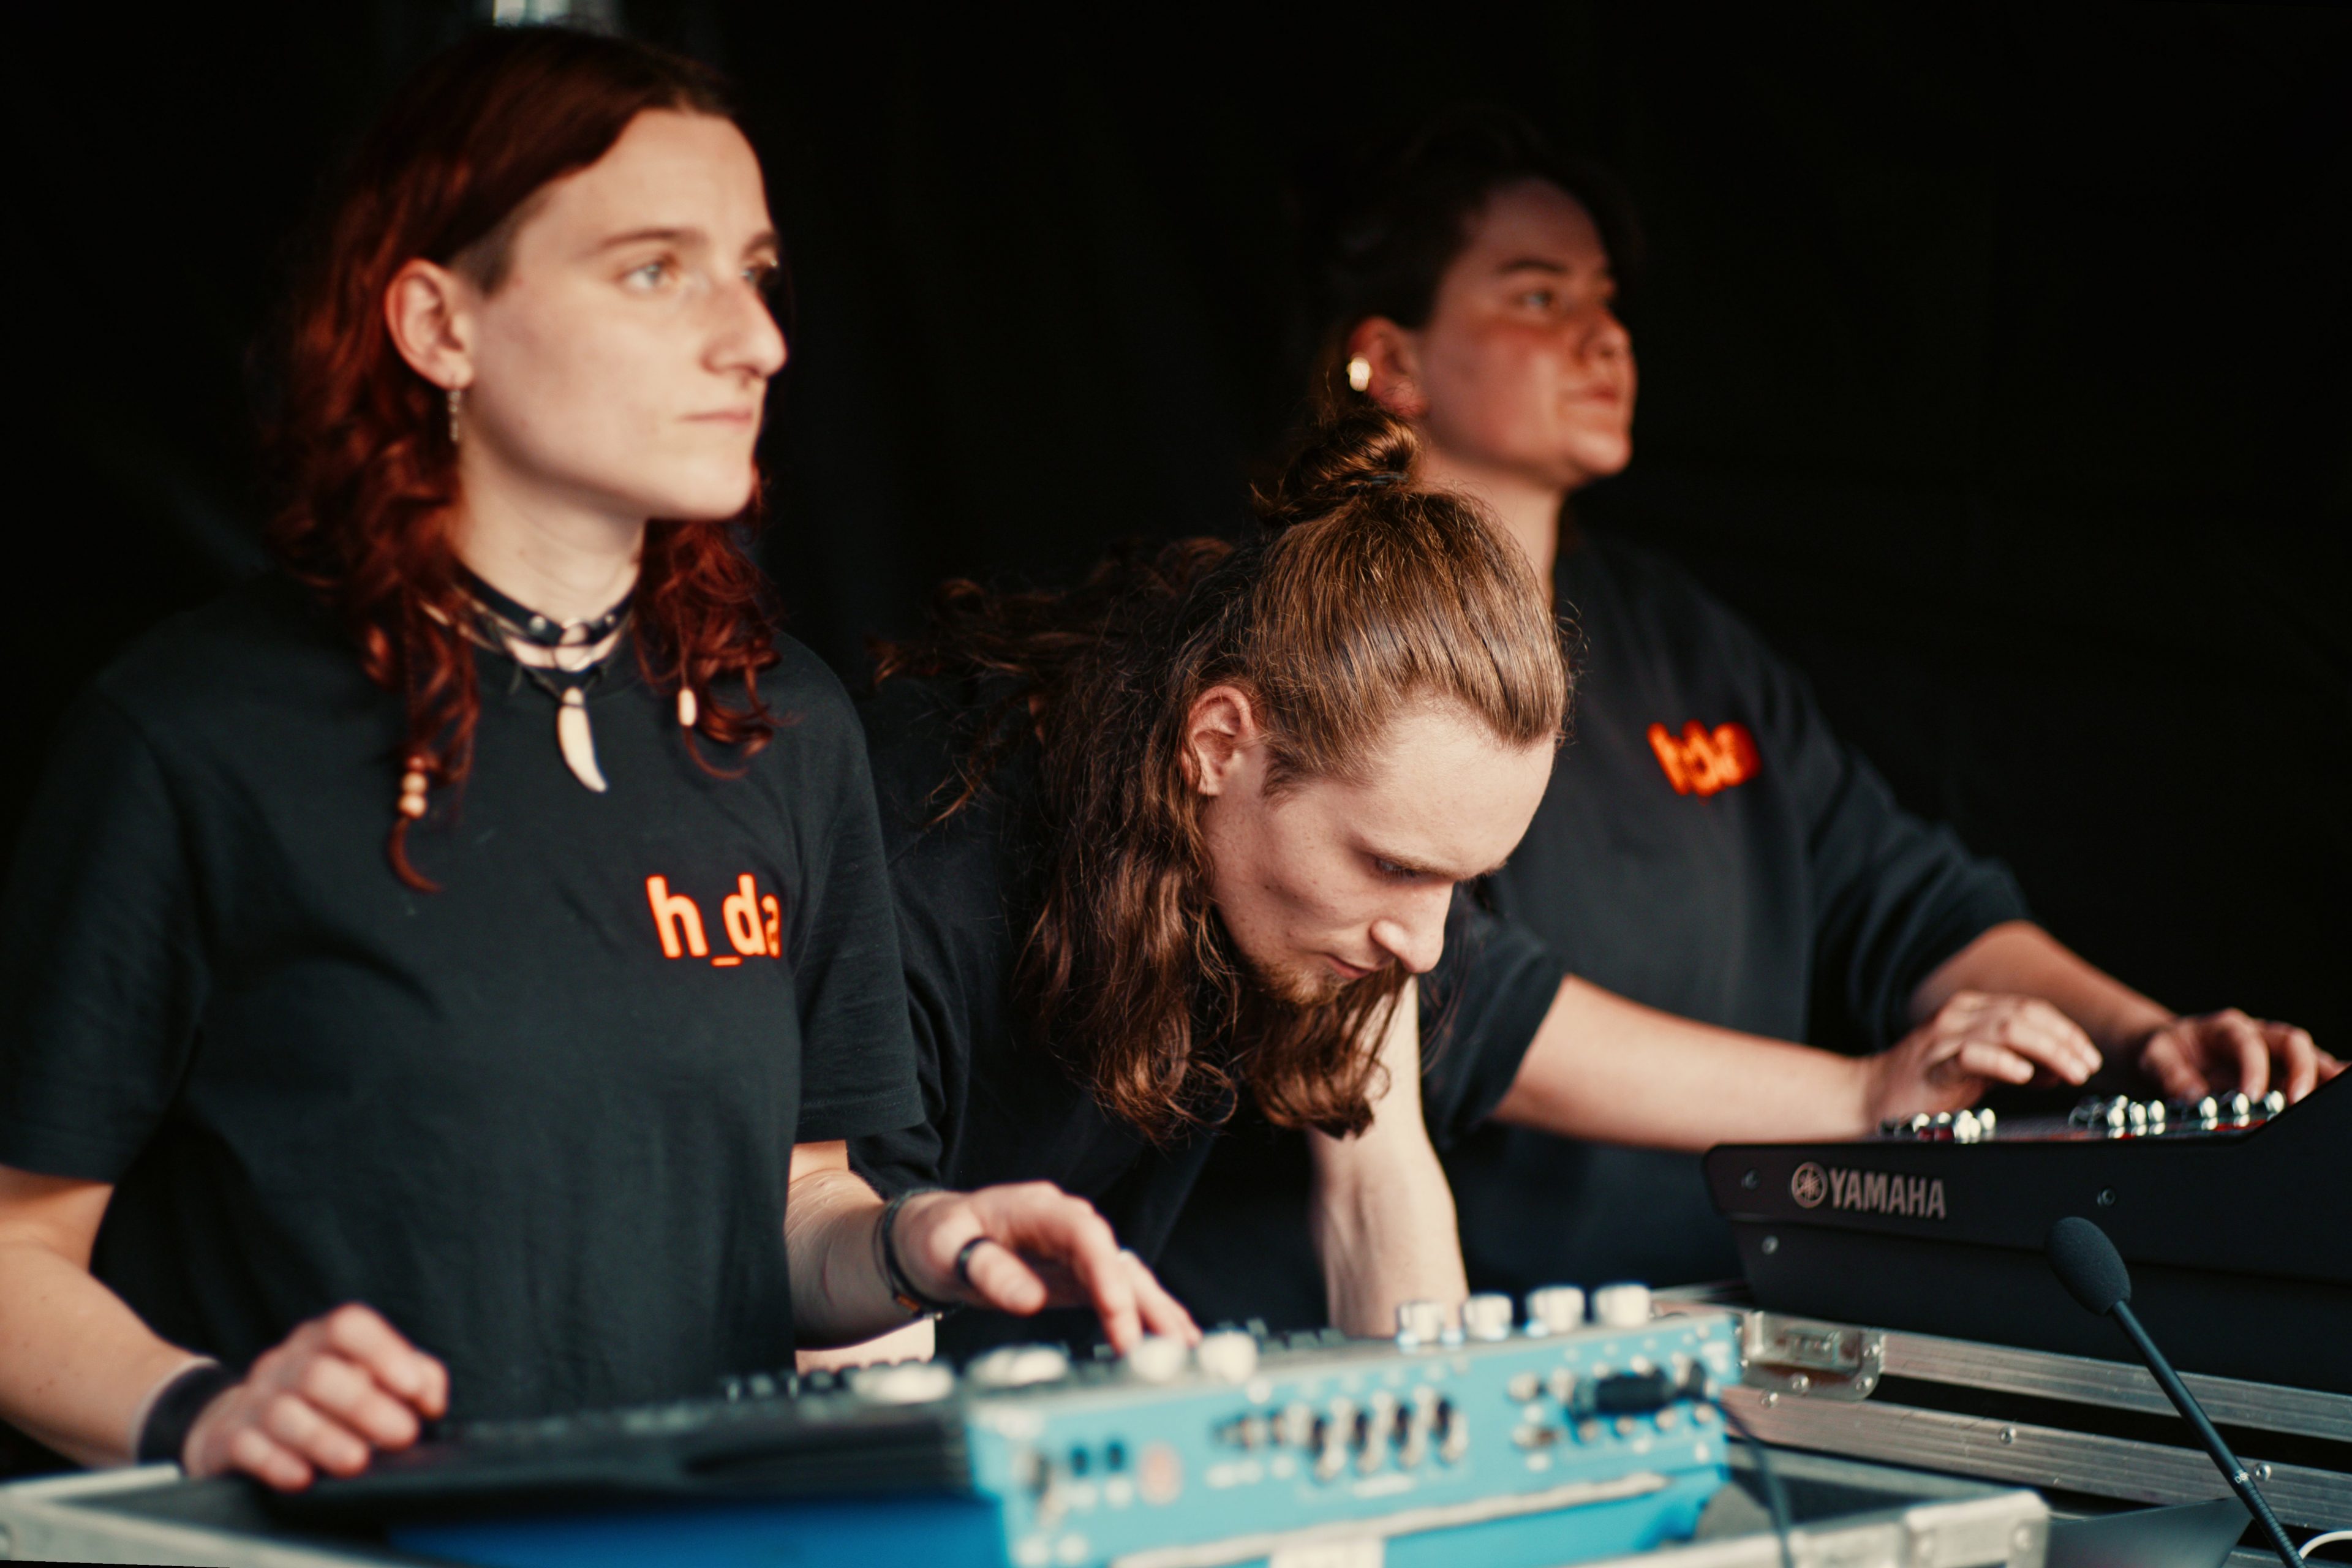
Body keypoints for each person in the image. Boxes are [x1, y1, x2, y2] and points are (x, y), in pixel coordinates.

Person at [0, 28, 1187, 1492]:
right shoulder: (196, 733)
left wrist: (918, 1239)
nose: (755, 341)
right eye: (653, 270)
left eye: (755, 273)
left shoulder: (784, 726)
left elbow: (794, 1202)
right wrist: (205, 1409)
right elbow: (16, 1248)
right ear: (438, 324)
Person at [1160, 110, 2336, 1321]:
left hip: (1703, 1315)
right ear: (1389, 361)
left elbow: (1901, 895)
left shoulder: (1678, 635)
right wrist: (1856, 1094)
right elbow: (1456, 994)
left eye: (1607, 300)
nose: (1605, 337)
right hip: (1408, 1320)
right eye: (1538, 297)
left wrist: (2147, 1038)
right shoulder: (1298, 638)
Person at [845, 410, 1577, 1357]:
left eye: (1459, 883)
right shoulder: (915, 870)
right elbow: (856, 1331)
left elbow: (1377, 1190)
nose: (1427, 947)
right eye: (1392, 866)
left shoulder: (1352, 908)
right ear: (1220, 742)